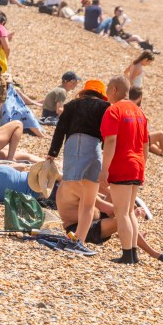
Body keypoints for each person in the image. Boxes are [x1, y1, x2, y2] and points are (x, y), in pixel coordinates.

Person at [47, 79, 111, 255]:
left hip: (71, 149)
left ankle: (73, 240)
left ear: (84, 92)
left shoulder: (71, 105)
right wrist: (108, 155)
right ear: (101, 95)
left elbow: (60, 130)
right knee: (88, 203)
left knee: (75, 186)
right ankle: (78, 242)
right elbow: (108, 135)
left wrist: (52, 152)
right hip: (92, 149)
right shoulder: (105, 107)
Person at [98, 75, 151, 264]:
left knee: (121, 212)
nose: (105, 93)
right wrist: (142, 164)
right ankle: (133, 253)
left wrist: (105, 169)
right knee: (129, 211)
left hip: (122, 164)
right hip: (137, 164)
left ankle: (127, 253)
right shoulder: (139, 112)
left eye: (107, 89)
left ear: (114, 90)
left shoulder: (114, 110)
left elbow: (110, 140)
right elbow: (146, 144)